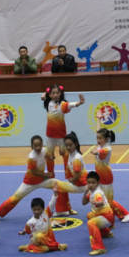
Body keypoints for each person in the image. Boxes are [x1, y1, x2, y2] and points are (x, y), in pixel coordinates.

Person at [41, 85, 85, 216]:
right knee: (49, 156)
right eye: (53, 93)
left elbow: (72, 105)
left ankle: (69, 174)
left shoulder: (63, 104)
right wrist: (45, 94)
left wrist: (79, 103)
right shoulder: (48, 103)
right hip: (50, 136)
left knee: (67, 156)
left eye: (57, 93)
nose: (55, 95)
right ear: (50, 95)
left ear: (60, 94)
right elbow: (45, 94)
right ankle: (50, 173)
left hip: (61, 137)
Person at [0, 135, 58, 218]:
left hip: (42, 180)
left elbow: (50, 157)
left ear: (42, 144)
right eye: (35, 146)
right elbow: (34, 172)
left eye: (39, 145)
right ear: (32, 146)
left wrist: (52, 157)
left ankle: (62, 210)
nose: (38, 147)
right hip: (30, 182)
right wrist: (46, 174)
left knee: (61, 187)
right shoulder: (31, 157)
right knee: (14, 199)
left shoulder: (44, 151)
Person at [92, 111, 129, 223]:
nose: (98, 140)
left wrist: (94, 151)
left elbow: (97, 152)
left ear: (106, 139)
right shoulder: (100, 144)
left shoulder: (107, 149)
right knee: (101, 198)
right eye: (97, 138)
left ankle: (126, 214)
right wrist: (98, 119)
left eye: (100, 138)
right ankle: (104, 215)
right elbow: (98, 130)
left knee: (108, 201)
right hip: (99, 177)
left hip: (106, 177)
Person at [49, 132, 89, 216]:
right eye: (66, 145)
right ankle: (64, 210)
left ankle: (62, 211)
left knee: (59, 186)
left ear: (76, 144)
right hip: (78, 183)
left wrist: (71, 180)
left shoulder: (76, 158)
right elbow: (65, 155)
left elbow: (77, 176)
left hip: (82, 185)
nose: (68, 147)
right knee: (61, 186)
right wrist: (62, 153)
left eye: (70, 145)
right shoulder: (71, 154)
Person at [82, 171, 116, 256]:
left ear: (98, 183)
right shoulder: (91, 191)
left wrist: (95, 202)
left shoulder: (97, 193)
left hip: (106, 217)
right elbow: (83, 203)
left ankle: (99, 248)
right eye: (89, 182)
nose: (90, 185)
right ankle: (106, 233)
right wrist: (85, 192)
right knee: (89, 215)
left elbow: (101, 202)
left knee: (91, 223)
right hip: (100, 215)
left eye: (93, 183)